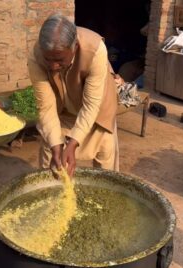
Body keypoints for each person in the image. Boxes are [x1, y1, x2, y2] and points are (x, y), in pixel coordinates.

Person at [28, 13, 119, 177]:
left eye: (59, 60)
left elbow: (91, 105)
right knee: (51, 155)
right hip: (62, 109)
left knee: (105, 158)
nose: (53, 66)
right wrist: (57, 145)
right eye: (48, 59)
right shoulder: (36, 56)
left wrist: (72, 144)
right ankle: (50, 196)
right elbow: (46, 107)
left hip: (97, 110)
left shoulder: (95, 49)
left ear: (75, 47)